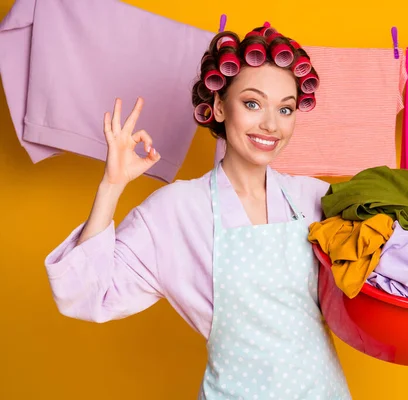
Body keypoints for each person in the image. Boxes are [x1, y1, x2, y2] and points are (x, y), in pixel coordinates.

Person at [44, 24, 353, 399]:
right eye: (252, 103)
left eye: (285, 109)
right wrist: (111, 186)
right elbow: (85, 293)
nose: (271, 125)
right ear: (220, 106)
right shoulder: (175, 212)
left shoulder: (315, 197)